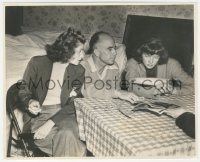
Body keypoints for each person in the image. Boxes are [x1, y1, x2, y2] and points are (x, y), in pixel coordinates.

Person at [18, 28, 86, 156]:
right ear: (66, 51)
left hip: (65, 113)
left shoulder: (79, 70)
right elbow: (24, 91)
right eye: (80, 51)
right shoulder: (37, 63)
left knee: (67, 134)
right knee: (70, 142)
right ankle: (83, 153)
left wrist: (50, 123)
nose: (83, 56)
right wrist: (30, 101)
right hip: (40, 115)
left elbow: (73, 103)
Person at [81, 31, 139, 104]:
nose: (115, 52)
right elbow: (87, 90)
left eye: (115, 48)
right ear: (97, 52)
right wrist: (117, 93)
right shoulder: (82, 65)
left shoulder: (114, 67)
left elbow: (117, 90)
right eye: (110, 49)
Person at [125, 37, 194, 98]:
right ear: (140, 54)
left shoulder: (172, 64)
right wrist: (155, 92)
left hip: (165, 103)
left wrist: (174, 91)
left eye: (155, 57)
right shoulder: (132, 63)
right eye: (147, 56)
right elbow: (131, 86)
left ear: (160, 56)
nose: (150, 61)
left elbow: (194, 85)